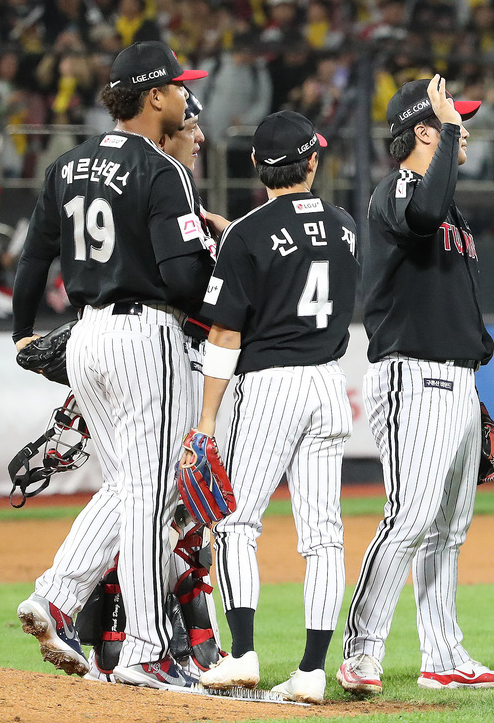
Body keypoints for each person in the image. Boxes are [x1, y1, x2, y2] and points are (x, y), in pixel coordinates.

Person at [12, 40, 214, 691]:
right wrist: (223, 290)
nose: (186, 97)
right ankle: (147, 651)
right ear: (154, 97)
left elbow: (33, 256)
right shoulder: (162, 170)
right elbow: (184, 277)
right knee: (150, 495)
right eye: (179, 87)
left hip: (85, 335)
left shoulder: (66, 165)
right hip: (144, 335)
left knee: (131, 486)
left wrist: (21, 332)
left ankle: (57, 597)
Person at [338, 76, 494, 695]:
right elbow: (424, 213)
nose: (465, 130)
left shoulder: (448, 202)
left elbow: (453, 299)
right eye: (452, 121)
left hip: (455, 379)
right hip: (413, 375)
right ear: (424, 130)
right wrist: (443, 139)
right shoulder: (398, 190)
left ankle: (444, 656)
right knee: (409, 517)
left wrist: (476, 386)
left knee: (447, 529)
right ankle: (361, 653)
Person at [189, 111, 358, 703]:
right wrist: (243, 236)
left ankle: (241, 656)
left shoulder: (247, 236)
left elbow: (225, 336)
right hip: (329, 384)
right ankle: (313, 670)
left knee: (235, 522)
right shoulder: (344, 226)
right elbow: (298, 250)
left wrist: (207, 420)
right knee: (324, 535)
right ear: (312, 162)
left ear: (258, 166)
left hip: (270, 389)